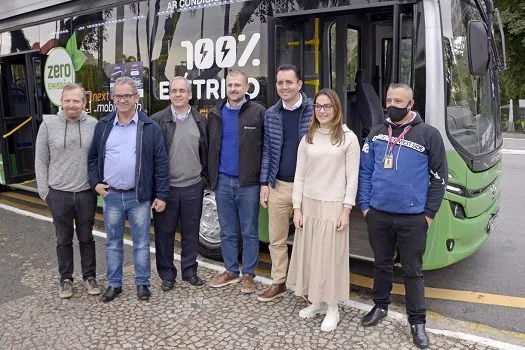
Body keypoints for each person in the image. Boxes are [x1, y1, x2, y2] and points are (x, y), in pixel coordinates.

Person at [358, 83, 447, 348]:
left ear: (411, 104)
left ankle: (417, 321)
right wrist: (365, 206)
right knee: (381, 264)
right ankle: (380, 305)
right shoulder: (375, 134)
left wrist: (428, 214)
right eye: (389, 100)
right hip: (378, 215)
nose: (392, 106)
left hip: (413, 218)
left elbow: (439, 178)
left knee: (413, 270)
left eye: (399, 101)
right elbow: (364, 171)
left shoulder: (428, 135)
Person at [88, 77, 169, 302]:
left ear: (136, 98)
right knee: (113, 242)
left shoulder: (149, 127)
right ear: (113, 98)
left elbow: (161, 163)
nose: (122, 100)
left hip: (139, 196)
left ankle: (142, 284)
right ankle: (115, 284)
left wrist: (161, 194)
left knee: (142, 243)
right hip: (111, 195)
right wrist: (95, 183)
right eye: (118, 96)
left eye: (127, 96)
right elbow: (93, 158)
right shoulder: (103, 126)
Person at [287, 88, 360, 332]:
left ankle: (332, 307)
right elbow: (299, 176)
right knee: (312, 256)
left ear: (336, 108)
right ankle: (317, 301)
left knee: (330, 258)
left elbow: (353, 178)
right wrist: (297, 208)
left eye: (327, 106)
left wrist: (346, 210)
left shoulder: (348, 138)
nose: (322, 110)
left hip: (333, 206)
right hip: (309, 204)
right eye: (318, 106)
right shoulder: (308, 137)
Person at [35, 83, 100, 299]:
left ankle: (90, 276)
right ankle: (65, 279)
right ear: (61, 102)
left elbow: (99, 158)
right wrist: (45, 192)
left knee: (86, 238)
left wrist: (97, 185)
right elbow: (41, 160)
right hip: (58, 194)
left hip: (85, 193)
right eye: (67, 100)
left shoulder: (94, 124)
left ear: (84, 103)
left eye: (76, 101)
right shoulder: (48, 125)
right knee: (63, 239)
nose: (71, 105)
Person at [257, 64, 313, 302]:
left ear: (299, 84)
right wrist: (264, 183)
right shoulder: (271, 114)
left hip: (308, 188)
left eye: (289, 82)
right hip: (278, 185)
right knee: (277, 239)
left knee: (308, 241)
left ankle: (309, 289)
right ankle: (278, 282)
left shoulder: (315, 111)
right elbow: (268, 151)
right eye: (280, 83)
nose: (284, 87)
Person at [207, 70, 266, 294]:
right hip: (222, 181)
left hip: (248, 183)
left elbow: (267, 148)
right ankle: (231, 270)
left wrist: (263, 181)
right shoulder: (215, 113)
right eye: (230, 85)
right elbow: (209, 147)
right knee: (227, 230)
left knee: (250, 231)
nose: (233, 89)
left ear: (246, 88)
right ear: (226, 87)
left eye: (237, 85)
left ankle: (249, 274)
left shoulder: (258, 112)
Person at [151, 76, 208, 291]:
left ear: (190, 95)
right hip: (167, 189)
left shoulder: (201, 120)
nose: (177, 94)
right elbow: (151, 158)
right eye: (173, 90)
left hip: (193, 186)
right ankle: (167, 274)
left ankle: (190, 271)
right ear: (169, 94)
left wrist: (204, 180)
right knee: (164, 234)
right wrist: (156, 190)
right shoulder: (157, 120)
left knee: (191, 232)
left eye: (182, 91)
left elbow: (206, 151)